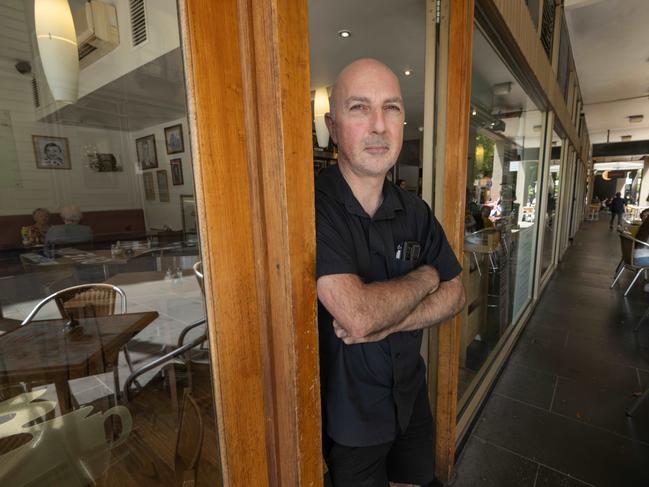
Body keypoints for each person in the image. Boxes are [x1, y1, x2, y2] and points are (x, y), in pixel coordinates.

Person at [316, 58, 465, 487]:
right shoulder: (315, 206)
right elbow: (358, 316)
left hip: (409, 396)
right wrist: (423, 279)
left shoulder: (414, 209)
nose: (379, 125)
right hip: (349, 416)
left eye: (392, 108)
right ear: (332, 124)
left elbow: (456, 290)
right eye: (359, 108)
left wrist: (393, 321)